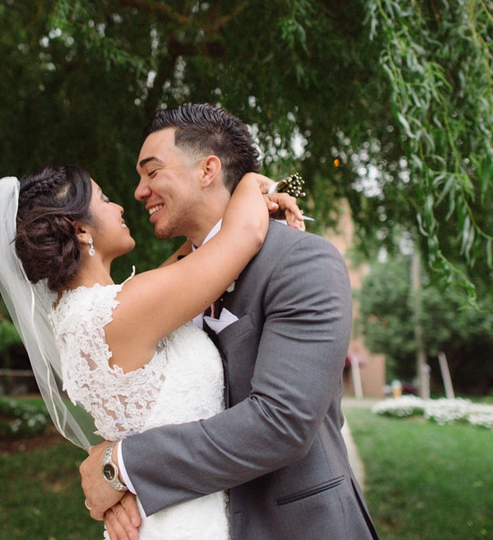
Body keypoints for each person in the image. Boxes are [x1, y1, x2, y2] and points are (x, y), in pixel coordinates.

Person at [79, 103, 379, 540]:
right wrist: (126, 487)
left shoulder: (303, 261)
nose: (139, 191)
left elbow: (281, 423)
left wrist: (125, 466)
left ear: (208, 170)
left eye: (152, 172)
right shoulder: (172, 284)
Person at [0, 163, 303, 538]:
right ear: (81, 229)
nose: (120, 206)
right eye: (105, 199)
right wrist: (251, 180)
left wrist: (110, 469)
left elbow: (194, 257)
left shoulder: (85, 313)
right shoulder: (117, 314)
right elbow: (243, 235)